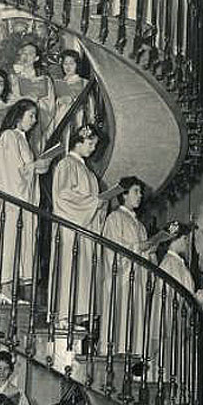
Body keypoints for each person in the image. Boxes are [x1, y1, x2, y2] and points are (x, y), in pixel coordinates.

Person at [0, 100, 50, 293]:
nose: (34, 120)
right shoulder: (9, 136)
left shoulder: (22, 139)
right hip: (12, 201)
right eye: (31, 115)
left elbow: (24, 170)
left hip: (22, 201)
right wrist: (34, 167)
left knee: (20, 243)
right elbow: (12, 173)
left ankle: (12, 290)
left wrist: (38, 168)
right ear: (18, 116)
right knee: (9, 242)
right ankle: (5, 289)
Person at [50, 124, 107, 327]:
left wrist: (101, 204)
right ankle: (63, 317)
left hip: (85, 230)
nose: (93, 148)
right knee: (69, 271)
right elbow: (63, 196)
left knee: (82, 275)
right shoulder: (67, 164)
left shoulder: (89, 173)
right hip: (70, 229)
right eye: (91, 144)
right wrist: (93, 203)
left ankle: (76, 316)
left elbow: (94, 202)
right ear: (79, 141)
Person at [101, 176, 156, 356]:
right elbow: (112, 247)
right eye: (136, 191)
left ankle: (133, 354)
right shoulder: (114, 218)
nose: (140, 196)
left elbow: (145, 255)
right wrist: (138, 247)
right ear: (124, 195)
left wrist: (150, 251)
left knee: (135, 319)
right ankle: (116, 352)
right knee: (120, 320)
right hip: (122, 279)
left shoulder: (140, 225)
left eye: (140, 192)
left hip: (137, 279)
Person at [8, 41, 56, 154]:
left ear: (36, 58)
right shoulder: (13, 79)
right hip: (18, 123)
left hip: (37, 123)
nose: (26, 56)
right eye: (24, 52)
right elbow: (10, 101)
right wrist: (24, 101)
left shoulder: (45, 80)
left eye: (30, 53)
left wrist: (37, 102)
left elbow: (51, 105)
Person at [50, 49, 91, 144]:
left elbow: (90, 105)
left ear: (77, 65)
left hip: (77, 118)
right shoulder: (57, 83)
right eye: (65, 64)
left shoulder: (84, 83)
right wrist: (58, 102)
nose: (68, 67)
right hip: (59, 118)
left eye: (71, 63)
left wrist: (73, 100)